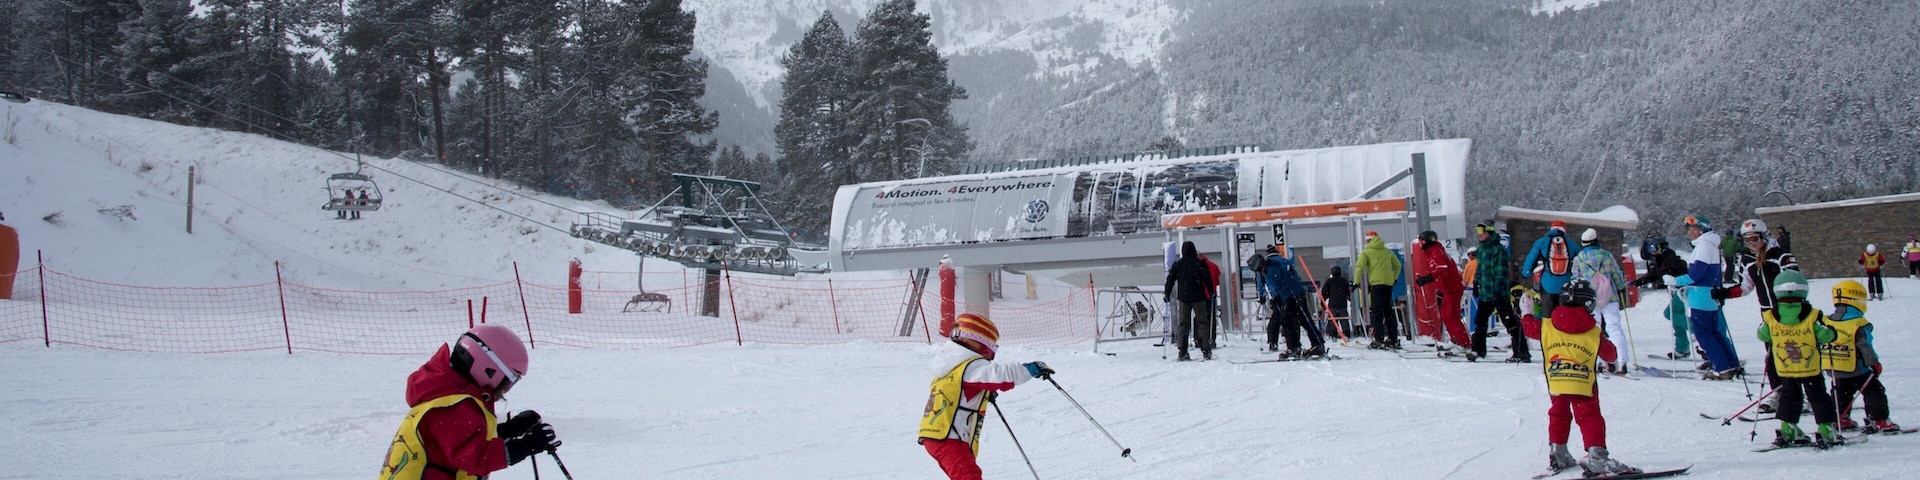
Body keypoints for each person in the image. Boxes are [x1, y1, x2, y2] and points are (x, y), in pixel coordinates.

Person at [381, 325, 560, 480]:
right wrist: (527, 445)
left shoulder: (448, 395)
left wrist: (511, 429)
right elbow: (475, 458)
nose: (506, 389)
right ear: (489, 369)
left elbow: (464, 438)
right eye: (509, 380)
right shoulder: (453, 406)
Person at [919, 313, 1054, 480]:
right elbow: (1001, 375)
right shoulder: (971, 366)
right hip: (950, 438)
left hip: (937, 435)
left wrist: (981, 391)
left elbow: (961, 391)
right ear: (980, 343)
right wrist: (1030, 369)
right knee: (969, 476)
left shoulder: (952, 365)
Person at [1540, 279, 1641, 477]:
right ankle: (1597, 455)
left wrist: (1525, 312)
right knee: (1588, 416)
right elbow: (1610, 354)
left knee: (1558, 413)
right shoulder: (1593, 331)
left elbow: (1530, 328)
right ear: (1589, 303)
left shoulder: (1548, 326)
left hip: (1557, 381)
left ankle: (1558, 452)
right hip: (1582, 383)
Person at [1756, 271, 1841, 447]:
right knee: (1818, 397)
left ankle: (1788, 427)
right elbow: (1826, 335)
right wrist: (1832, 333)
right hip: (1810, 367)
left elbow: (1762, 335)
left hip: (1785, 368)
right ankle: (1826, 428)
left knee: (1789, 397)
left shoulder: (1771, 316)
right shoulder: (1812, 315)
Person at [1731, 219, 1800, 412]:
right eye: (1747, 240)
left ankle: (1803, 393)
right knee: (1772, 355)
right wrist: (1724, 294)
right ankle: (1779, 392)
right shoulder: (1747, 260)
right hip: (1768, 314)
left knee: (1795, 353)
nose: (1751, 243)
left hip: (1789, 313)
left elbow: (1796, 282)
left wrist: (1788, 306)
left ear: (1763, 236)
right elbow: (1745, 287)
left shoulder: (1780, 256)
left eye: (1754, 239)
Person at [1669, 216, 1741, 380]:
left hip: (1700, 296)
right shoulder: (1712, 245)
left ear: (1704, 230)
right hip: (1710, 295)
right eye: (1689, 230)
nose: (1691, 233)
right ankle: (1730, 363)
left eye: (1695, 229)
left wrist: (1676, 281)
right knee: (1715, 333)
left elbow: (1696, 274)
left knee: (1704, 335)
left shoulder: (1703, 246)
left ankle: (1722, 368)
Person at [1823, 280, 1899, 433]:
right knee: (1873, 390)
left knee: (1840, 390)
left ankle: (1840, 418)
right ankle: (1879, 419)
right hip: (1856, 367)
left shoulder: (1826, 321)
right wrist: (1874, 363)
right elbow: (1865, 346)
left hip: (1833, 366)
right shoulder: (1858, 323)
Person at [1569, 228, 1631, 373]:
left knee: (1593, 329)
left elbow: (1575, 278)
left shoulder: (1579, 258)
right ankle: (1621, 361)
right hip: (1610, 296)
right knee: (1614, 327)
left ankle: (1596, 361)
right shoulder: (1607, 255)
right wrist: (1621, 287)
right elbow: (1616, 274)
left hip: (1590, 298)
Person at [1468, 222, 1528, 362]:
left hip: (1498, 293)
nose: (1479, 234)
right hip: (1485, 293)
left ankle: (1522, 352)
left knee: (1510, 322)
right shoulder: (1482, 249)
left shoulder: (1497, 250)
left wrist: (1497, 291)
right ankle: (1478, 350)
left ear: (1488, 231)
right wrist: (1477, 282)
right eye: (1477, 231)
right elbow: (1481, 269)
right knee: (1480, 321)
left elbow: (1501, 273)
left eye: (1481, 231)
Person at [1630, 235, 1691, 360]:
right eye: (1651, 248)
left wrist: (1670, 280)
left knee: (1669, 313)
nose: (1653, 251)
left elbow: (1678, 274)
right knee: (1675, 318)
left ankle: (1697, 330)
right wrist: (1637, 283)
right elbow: (1654, 276)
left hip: (1684, 291)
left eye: (1654, 248)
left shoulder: (1670, 258)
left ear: (1662, 248)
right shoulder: (1658, 259)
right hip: (1675, 292)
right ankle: (1682, 348)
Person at [1261, 243, 1326, 358]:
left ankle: (1293, 347)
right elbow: (1293, 277)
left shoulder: (1270, 266)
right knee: (1305, 320)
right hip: (1297, 293)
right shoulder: (1284, 261)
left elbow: (1278, 284)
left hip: (1287, 297)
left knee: (1286, 321)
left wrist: (1281, 299)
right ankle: (1318, 344)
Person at [1413, 231, 1470, 352]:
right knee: (1445, 315)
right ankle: (1456, 339)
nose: (1420, 245)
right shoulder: (1434, 251)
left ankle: (1463, 343)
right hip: (1448, 289)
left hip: (1453, 289)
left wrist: (1427, 278)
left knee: (1451, 316)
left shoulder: (1436, 252)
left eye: (1422, 242)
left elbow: (1442, 270)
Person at [1163, 241, 1216, 361]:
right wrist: (1211, 291)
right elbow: (1207, 278)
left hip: (1184, 298)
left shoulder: (1178, 264)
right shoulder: (1200, 263)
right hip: (1198, 297)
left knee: (1183, 324)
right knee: (1202, 322)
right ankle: (1206, 349)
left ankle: (1182, 350)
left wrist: (1167, 294)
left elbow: (1170, 280)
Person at [1355, 231, 1404, 350]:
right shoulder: (1387, 252)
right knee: (1389, 311)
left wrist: (1355, 283)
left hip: (1376, 285)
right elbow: (1398, 265)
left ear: (1368, 241)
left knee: (1377, 312)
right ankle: (1393, 339)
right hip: (1388, 284)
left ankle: (1379, 339)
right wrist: (1394, 278)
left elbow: (1359, 268)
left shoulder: (1366, 253)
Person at [1521, 220, 1582, 314]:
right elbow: (1581, 262)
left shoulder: (1541, 242)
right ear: (1564, 230)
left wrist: (1525, 273)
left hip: (1547, 284)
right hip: (1565, 284)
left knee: (1548, 314)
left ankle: (1548, 326)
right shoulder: (1572, 244)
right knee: (1563, 315)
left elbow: (1531, 259)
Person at [1323, 265, 1357, 338]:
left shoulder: (1329, 281)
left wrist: (1323, 303)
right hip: (1342, 304)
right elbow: (1348, 292)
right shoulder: (1344, 281)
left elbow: (1324, 292)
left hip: (1332, 304)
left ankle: (1333, 334)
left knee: (1333, 321)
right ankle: (1346, 333)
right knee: (1344, 320)